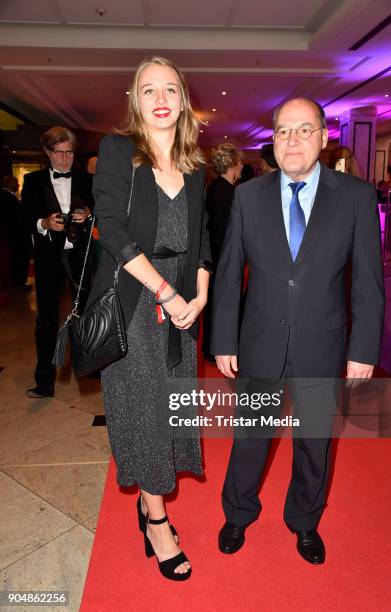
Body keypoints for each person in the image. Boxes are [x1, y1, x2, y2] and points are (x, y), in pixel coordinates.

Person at [211, 97, 384, 564]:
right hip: (260, 340)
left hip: (322, 344)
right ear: (273, 139)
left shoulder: (356, 197)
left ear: (324, 138)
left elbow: (368, 281)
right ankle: (238, 513)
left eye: (304, 130)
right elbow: (228, 272)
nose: (293, 140)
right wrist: (224, 338)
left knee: (314, 443)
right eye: (284, 130)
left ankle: (305, 521)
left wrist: (364, 349)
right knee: (251, 439)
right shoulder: (248, 196)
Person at [87, 56, 211, 581]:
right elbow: (111, 229)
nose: (160, 98)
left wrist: (199, 297)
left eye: (170, 89)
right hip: (137, 303)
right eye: (148, 90)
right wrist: (166, 293)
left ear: (182, 100)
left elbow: (203, 236)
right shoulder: (118, 151)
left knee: (174, 409)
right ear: (135, 102)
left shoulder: (196, 165)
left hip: (182, 308)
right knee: (145, 415)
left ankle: (149, 504)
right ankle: (157, 521)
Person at [22, 127, 95, 398]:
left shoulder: (86, 180)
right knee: (47, 320)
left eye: (70, 152)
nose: (65, 159)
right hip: (48, 257)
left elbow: (100, 211)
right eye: (59, 152)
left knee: (87, 313)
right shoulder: (33, 181)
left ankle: (92, 368)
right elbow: (25, 219)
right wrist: (44, 223)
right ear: (48, 152)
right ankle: (44, 380)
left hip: (81, 255)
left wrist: (88, 215)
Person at [202, 143, 244, 360]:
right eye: (240, 163)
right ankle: (216, 349)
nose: (242, 167)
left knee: (215, 304)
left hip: (215, 256)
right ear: (233, 165)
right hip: (222, 257)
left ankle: (211, 348)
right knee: (222, 304)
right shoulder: (229, 192)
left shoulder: (215, 187)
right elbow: (226, 230)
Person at [0, 175, 31, 291]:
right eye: (16, 183)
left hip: (13, 237)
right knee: (18, 260)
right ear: (8, 184)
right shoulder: (7, 198)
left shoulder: (8, 197)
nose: (18, 185)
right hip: (16, 237)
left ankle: (17, 283)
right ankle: (18, 284)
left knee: (17, 260)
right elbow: (14, 220)